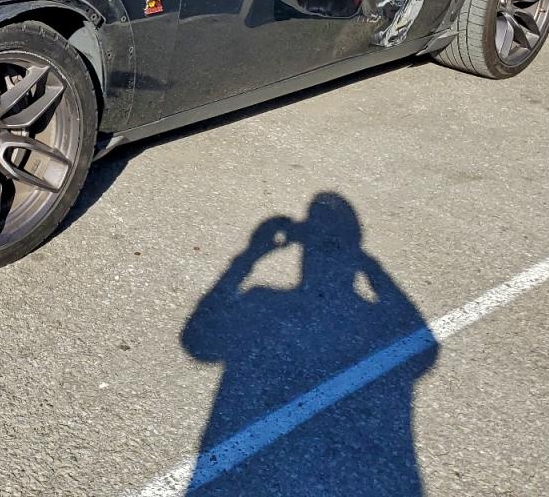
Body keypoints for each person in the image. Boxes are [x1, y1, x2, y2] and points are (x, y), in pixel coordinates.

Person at [182, 193, 435, 495]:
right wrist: (367, 262)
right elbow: (421, 345)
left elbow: (198, 342)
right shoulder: (373, 322)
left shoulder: (261, 303)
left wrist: (251, 254)